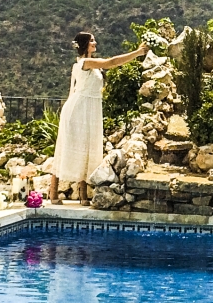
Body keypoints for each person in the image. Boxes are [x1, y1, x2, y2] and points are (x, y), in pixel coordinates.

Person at [50, 31, 148, 203]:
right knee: (67, 148)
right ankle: (53, 193)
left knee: (85, 150)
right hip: (78, 109)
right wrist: (137, 53)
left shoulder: (86, 64)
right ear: (84, 45)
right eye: (92, 40)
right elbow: (112, 62)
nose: (95, 42)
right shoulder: (85, 63)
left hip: (89, 109)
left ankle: (82, 195)